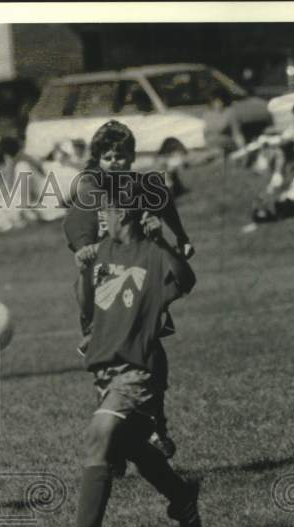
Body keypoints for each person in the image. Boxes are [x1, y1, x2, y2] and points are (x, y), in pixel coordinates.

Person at [46, 127, 202, 527]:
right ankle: (181, 494)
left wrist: (168, 242)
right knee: (128, 446)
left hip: (137, 367)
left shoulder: (150, 256)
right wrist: (82, 268)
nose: (103, 217)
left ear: (127, 214)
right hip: (107, 363)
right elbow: (89, 304)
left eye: (110, 212)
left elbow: (184, 280)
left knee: (99, 436)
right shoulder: (102, 253)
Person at [63, 121, 194, 459]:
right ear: (97, 159)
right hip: (105, 279)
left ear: (132, 156)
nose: (116, 162)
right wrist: (83, 247)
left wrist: (180, 237)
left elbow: (164, 202)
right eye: (108, 157)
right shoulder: (91, 187)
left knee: (152, 352)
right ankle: (116, 443)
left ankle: (156, 427)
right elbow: (75, 223)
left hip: (140, 275)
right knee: (111, 365)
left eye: (122, 156)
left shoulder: (141, 184)